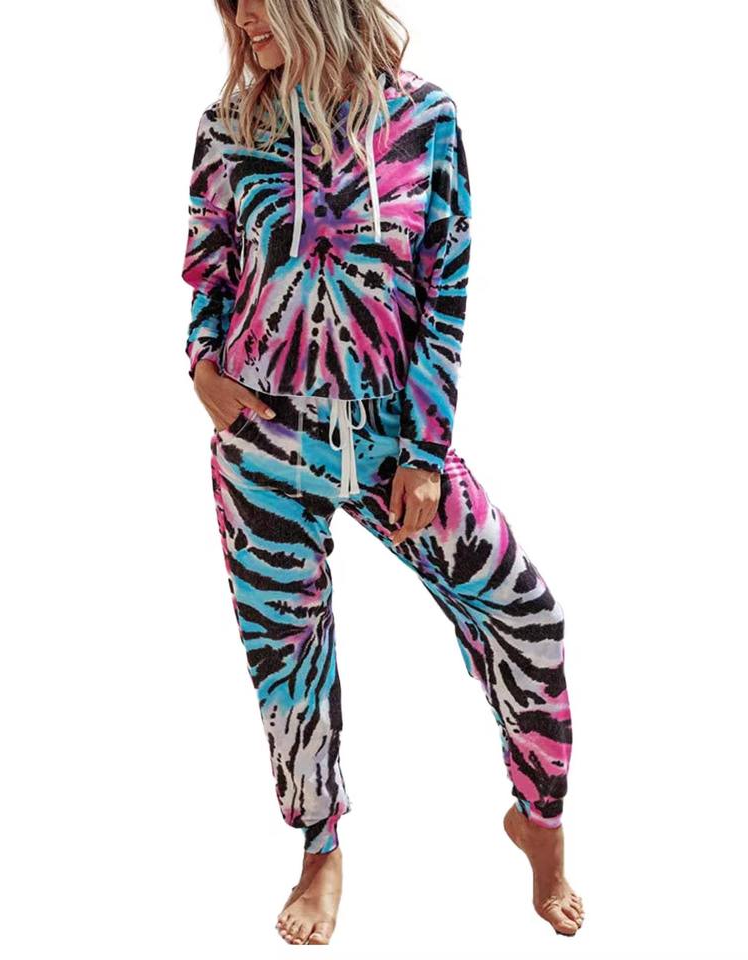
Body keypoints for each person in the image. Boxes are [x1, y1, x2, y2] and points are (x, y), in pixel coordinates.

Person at [181, 0, 583, 944]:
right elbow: (208, 270)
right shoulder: (227, 128)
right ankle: (320, 848)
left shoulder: (424, 119)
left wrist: (426, 453)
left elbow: (447, 289)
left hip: (389, 438)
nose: (242, 20)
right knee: (287, 653)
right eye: (231, 5)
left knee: (526, 614)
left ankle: (540, 817)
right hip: (261, 439)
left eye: (257, 1)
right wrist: (201, 367)